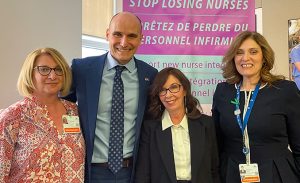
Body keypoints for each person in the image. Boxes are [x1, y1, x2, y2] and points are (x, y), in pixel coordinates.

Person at [64, 12, 157, 183]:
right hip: (89, 171)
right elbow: (60, 106)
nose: (124, 42)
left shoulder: (150, 75)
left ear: (141, 39)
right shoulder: (82, 70)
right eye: (117, 34)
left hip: (131, 172)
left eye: (131, 36)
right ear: (107, 34)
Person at [212, 31, 300, 183]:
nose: (245, 58)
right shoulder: (223, 92)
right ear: (233, 58)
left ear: (264, 57)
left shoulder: (285, 91)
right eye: (239, 53)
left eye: (253, 52)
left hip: (276, 173)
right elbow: (216, 144)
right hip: (232, 173)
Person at [0, 47, 85, 182]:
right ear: (30, 73)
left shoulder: (74, 111)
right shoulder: (13, 116)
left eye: (58, 70)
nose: (53, 76)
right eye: (44, 69)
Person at [135, 67, 220, 183]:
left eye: (174, 87)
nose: (168, 95)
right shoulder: (149, 128)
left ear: (184, 90)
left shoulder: (205, 124)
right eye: (162, 90)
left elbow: (214, 169)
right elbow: (143, 174)